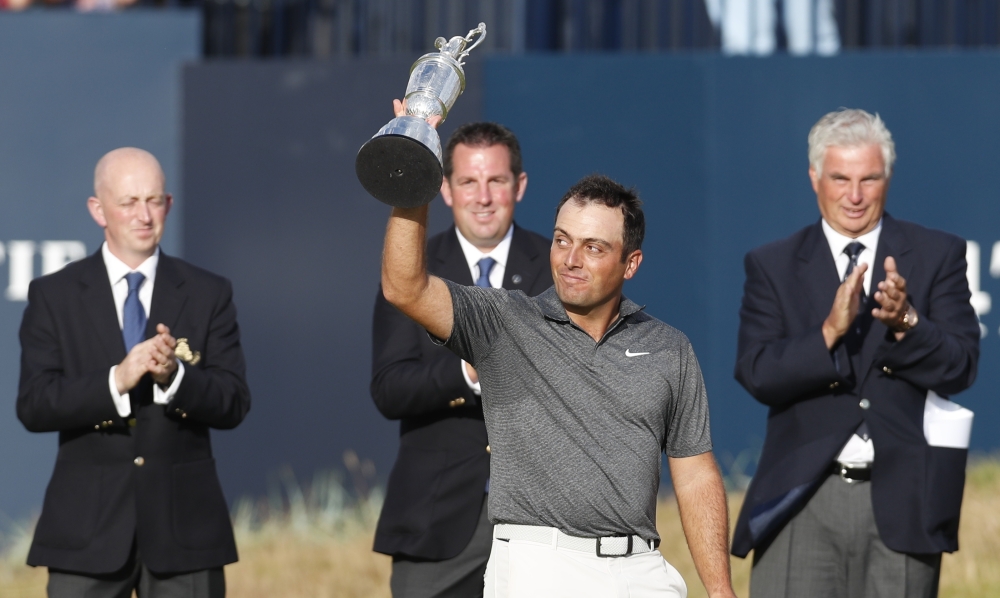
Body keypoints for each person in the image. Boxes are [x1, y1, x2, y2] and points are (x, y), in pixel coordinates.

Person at [379, 99, 736, 598]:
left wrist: (721, 591)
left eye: (593, 247)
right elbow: (404, 287)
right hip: (535, 568)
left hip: (642, 571)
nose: (570, 259)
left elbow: (695, 473)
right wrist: (415, 157)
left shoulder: (668, 347)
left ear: (630, 263)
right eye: (562, 240)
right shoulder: (503, 320)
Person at [731, 109, 979, 597]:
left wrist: (908, 322)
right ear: (814, 178)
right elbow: (757, 372)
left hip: (904, 501)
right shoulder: (772, 264)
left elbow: (961, 366)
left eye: (869, 178)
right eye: (840, 178)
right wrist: (827, 332)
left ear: (887, 177)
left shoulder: (937, 255)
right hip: (801, 500)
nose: (855, 195)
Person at [17, 147, 251, 598]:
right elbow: (35, 403)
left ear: (168, 204)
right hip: (86, 533)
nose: (144, 215)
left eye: (153, 200)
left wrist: (174, 377)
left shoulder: (208, 292)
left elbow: (234, 400)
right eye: (128, 203)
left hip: (186, 534)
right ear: (98, 209)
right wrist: (117, 381)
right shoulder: (55, 295)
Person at [370, 122, 552, 597]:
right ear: (445, 189)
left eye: (497, 180)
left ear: (520, 185)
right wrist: (468, 373)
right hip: (437, 523)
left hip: (547, 521)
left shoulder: (561, 267)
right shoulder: (409, 269)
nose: (484, 196)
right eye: (469, 182)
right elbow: (390, 388)